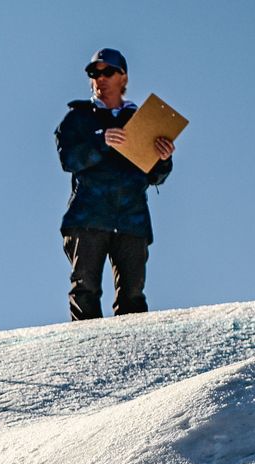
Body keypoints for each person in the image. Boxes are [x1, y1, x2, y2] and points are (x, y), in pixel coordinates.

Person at [55, 47, 176, 320]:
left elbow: (156, 175)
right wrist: (101, 141)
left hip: (131, 219)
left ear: (123, 77)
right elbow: (69, 159)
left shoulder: (140, 119)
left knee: (132, 295)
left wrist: (164, 157)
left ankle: (131, 355)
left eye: (108, 71)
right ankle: (86, 352)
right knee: (85, 289)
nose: (100, 77)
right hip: (88, 218)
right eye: (94, 73)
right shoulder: (78, 117)